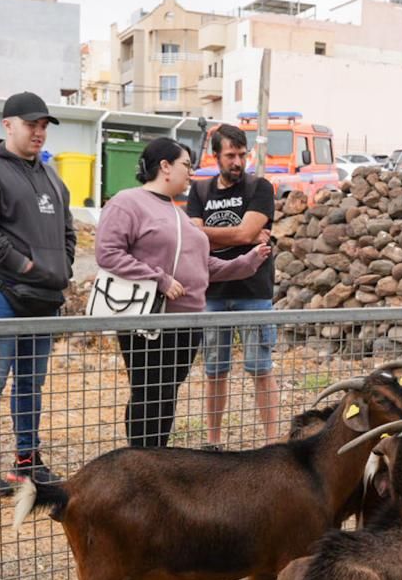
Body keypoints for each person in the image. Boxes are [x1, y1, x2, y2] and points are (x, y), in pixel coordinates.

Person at [94, 138, 272, 449]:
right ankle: (141, 461)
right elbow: (107, 253)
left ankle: (155, 458)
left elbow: (202, 266)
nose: (190, 173)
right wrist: (159, 279)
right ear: (164, 166)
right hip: (148, 319)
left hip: (186, 322)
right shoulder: (128, 202)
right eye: (186, 165)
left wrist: (247, 262)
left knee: (167, 391)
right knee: (149, 391)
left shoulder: (176, 212)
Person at [0, 91, 75, 496]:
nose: (39, 132)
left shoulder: (50, 176)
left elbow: (67, 232)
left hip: (43, 295)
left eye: (43, 125)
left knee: (30, 382)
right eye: (31, 124)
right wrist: (26, 266)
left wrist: (63, 267)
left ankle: (27, 460)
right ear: (8, 125)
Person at [187, 123, 281, 446]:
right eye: (230, 155)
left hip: (253, 293)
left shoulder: (260, 188)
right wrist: (242, 232)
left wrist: (210, 234)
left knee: (261, 368)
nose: (237, 162)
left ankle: (273, 444)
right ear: (216, 157)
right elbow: (196, 237)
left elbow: (236, 234)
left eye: (242, 155)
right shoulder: (199, 192)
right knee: (214, 370)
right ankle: (213, 442)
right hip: (212, 293)